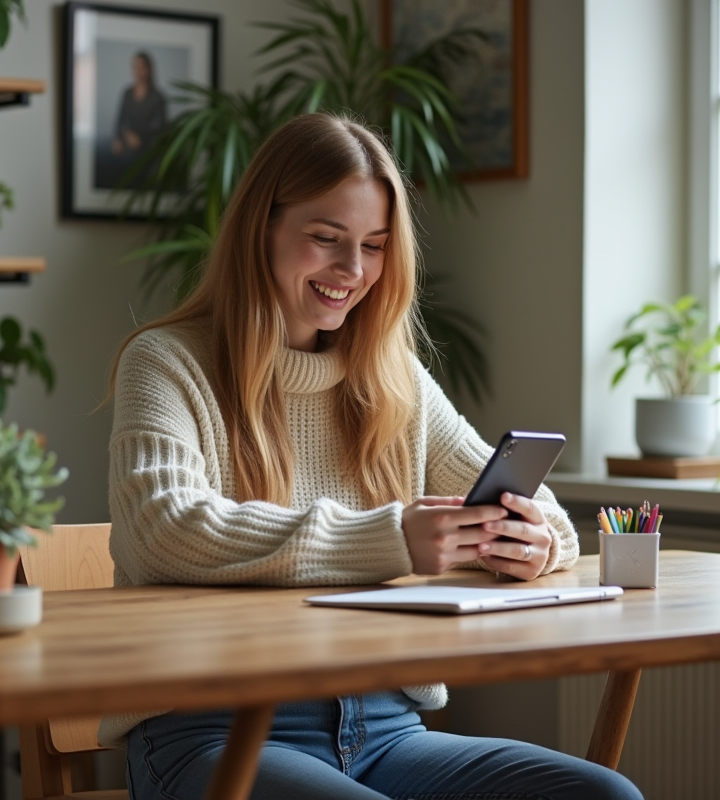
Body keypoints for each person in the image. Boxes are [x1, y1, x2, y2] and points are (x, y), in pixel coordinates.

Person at [101, 113, 642, 800]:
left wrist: (532, 540)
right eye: (326, 238)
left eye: (375, 245)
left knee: (605, 796)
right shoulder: (169, 363)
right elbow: (162, 531)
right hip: (210, 729)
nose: (352, 271)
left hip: (385, 726)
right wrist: (392, 537)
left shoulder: (393, 381)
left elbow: (538, 508)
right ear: (260, 229)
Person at [104, 51, 166, 189]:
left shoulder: (158, 97)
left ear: (148, 69)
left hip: (148, 146)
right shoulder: (127, 92)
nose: (138, 71)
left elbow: (161, 127)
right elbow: (120, 120)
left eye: (141, 67)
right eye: (135, 67)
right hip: (128, 143)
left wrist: (140, 138)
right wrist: (120, 137)